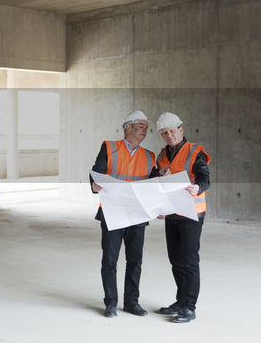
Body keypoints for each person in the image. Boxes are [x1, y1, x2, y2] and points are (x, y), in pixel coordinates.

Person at [89, 111, 155, 318]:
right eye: (141, 126)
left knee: (135, 260)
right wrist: (94, 184)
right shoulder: (109, 148)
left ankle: (131, 303)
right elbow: (96, 171)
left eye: (146, 127)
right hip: (112, 211)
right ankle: (110, 303)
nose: (145, 130)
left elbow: (153, 185)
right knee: (110, 259)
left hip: (137, 213)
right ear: (128, 127)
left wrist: (162, 176)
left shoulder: (149, 156)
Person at [151, 112, 210, 324]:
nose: (169, 135)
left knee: (189, 260)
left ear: (181, 130)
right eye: (164, 133)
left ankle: (189, 307)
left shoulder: (195, 152)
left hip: (191, 213)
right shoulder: (162, 156)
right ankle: (180, 301)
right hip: (171, 213)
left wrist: (198, 187)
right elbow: (157, 184)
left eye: (172, 131)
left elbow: (204, 178)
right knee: (175, 259)